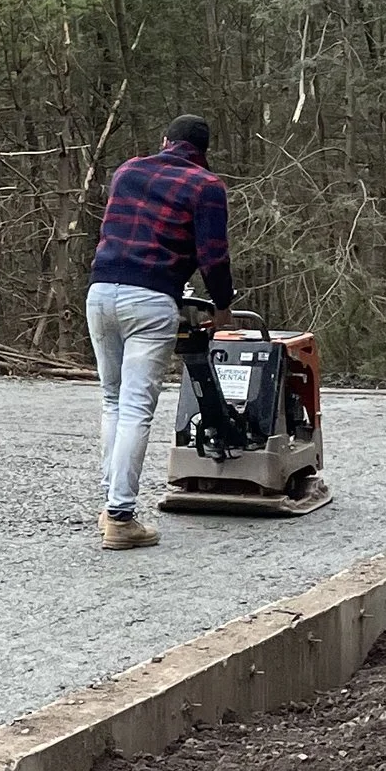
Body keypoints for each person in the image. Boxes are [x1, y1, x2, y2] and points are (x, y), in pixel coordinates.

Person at [85, 114, 234, 551]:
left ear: (165, 140)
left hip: (100, 292)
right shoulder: (206, 186)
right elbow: (213, 254)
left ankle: (110, 502)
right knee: (135, 407)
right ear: (203, 152)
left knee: (112, 399)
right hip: (150, 299)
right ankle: (121, 516)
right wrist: (222, 306)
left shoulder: (127, 171)